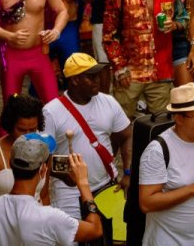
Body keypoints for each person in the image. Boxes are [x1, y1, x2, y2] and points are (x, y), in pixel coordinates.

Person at [42, 54, 133, 226]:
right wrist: (61, 173)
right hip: (68, 192)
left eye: (97, 75)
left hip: (107, 185)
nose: (97, 80)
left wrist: (127, 172)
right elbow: (42, 157)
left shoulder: (109, 102)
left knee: (113, 239)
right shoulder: (51, 112)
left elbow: (127, 135)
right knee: (73, 239)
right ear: (75, 80)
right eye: (90, 77)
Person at [137, 83, 194, 246]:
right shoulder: (157, 151)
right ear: (178, 118)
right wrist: (192, 189)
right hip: (170, 240)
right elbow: (146, 203)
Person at [0, 137, 104, 246]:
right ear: (42, 170)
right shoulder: (51, 218)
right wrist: (83, 183)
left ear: (11, 164)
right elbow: (96, 229)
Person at [102, 0, 182, 117]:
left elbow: (183, 18)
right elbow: (109, 37)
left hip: (160, 72)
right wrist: (120, 68)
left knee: (162, 124)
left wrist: (174, 25)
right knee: (122, 126)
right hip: (129, 75)